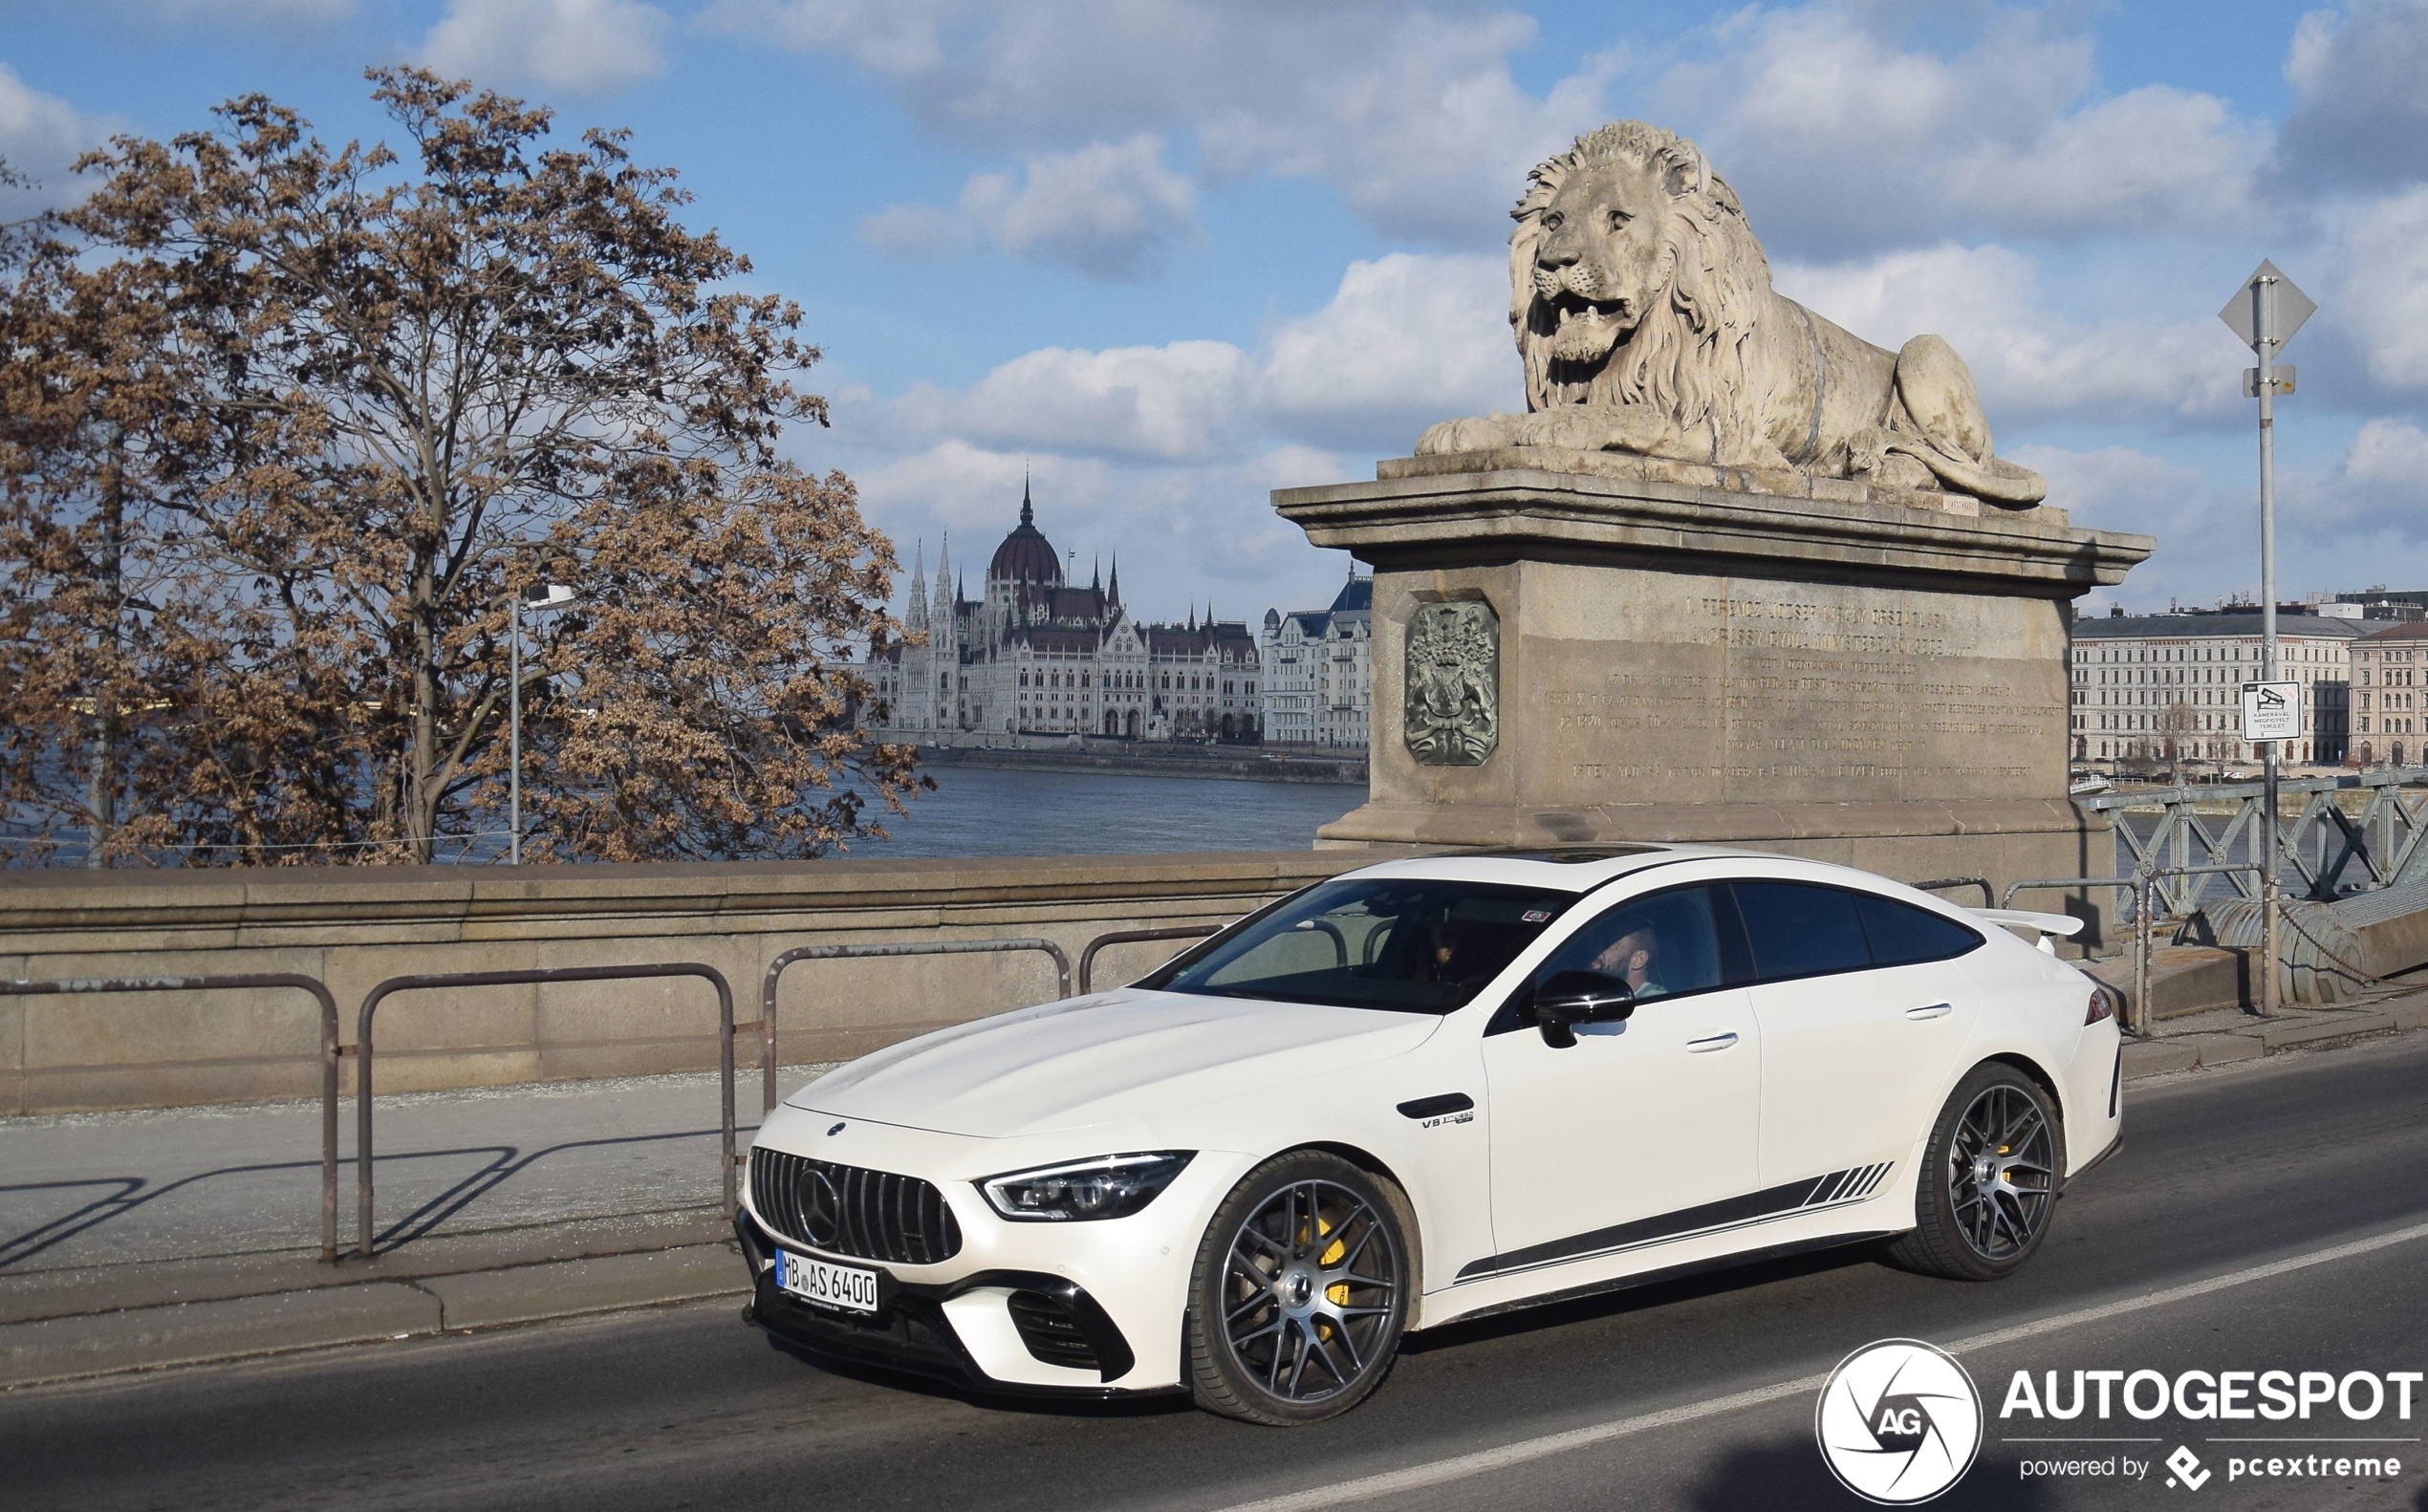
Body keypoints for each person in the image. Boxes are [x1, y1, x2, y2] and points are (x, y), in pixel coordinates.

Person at [1588, 913, 1666, 999]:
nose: (1597, 948)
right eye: (1597, 941)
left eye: (1610, 943)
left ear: (1638, 960)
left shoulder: (1656, 1002)